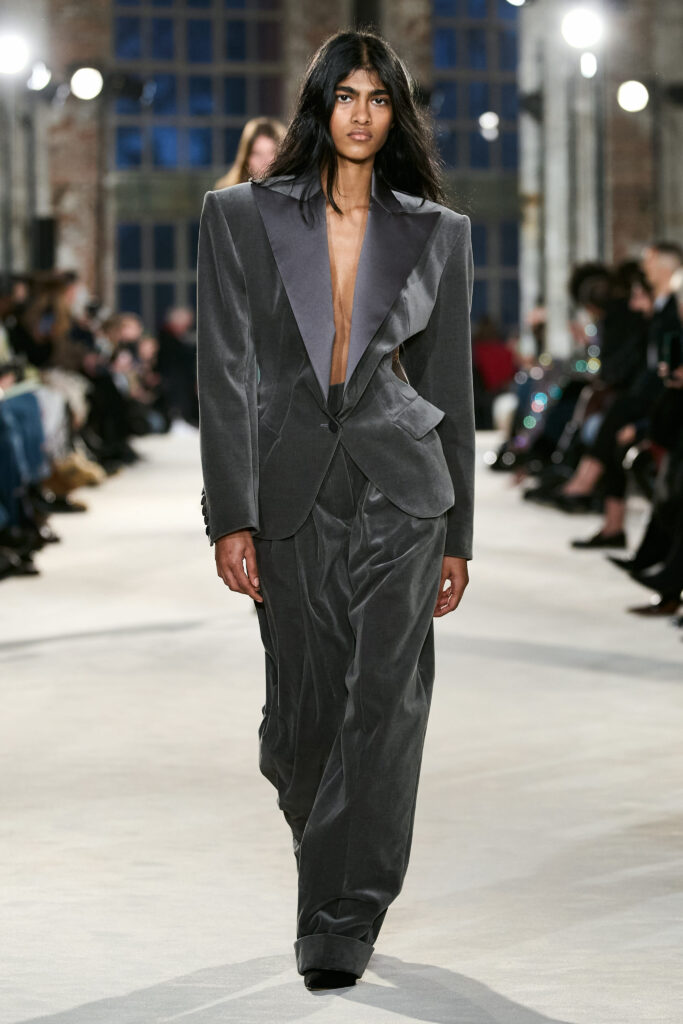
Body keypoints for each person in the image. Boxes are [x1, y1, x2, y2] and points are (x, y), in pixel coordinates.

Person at [196, 30, 475, 992]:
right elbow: (224, 373)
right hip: (291, 485)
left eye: (379, 98)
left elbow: (449, 385)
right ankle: (326, 845)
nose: (361, 114)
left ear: (397, 114)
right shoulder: (239, 215)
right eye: (346, 95)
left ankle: (340, 919)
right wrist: (229, 513)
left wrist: (460, 535)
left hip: (404, 485)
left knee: (384, 705)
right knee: (304, 720)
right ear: (320, 104)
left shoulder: (437, 231)